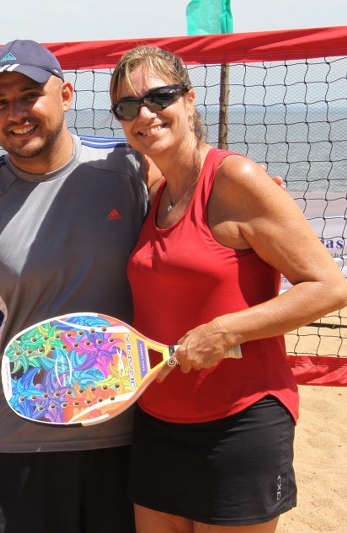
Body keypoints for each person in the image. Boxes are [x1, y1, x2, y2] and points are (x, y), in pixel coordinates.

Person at [108, 45, 347, 533]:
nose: (145, 115)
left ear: (190, 99)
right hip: (156, 422)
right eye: (127, 107)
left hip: (238, 421)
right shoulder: (154, 189)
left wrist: (224, 331)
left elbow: (329, 286)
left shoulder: (235, 177)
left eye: (159, 97)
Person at [0, 39, 157, 533]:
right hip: (18, 438)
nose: (17, 113)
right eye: (1, 102)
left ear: (66, 95)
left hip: (126, 432)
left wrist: (244, 189)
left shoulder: (130, 168)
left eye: (30, 95)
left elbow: (195, 205)